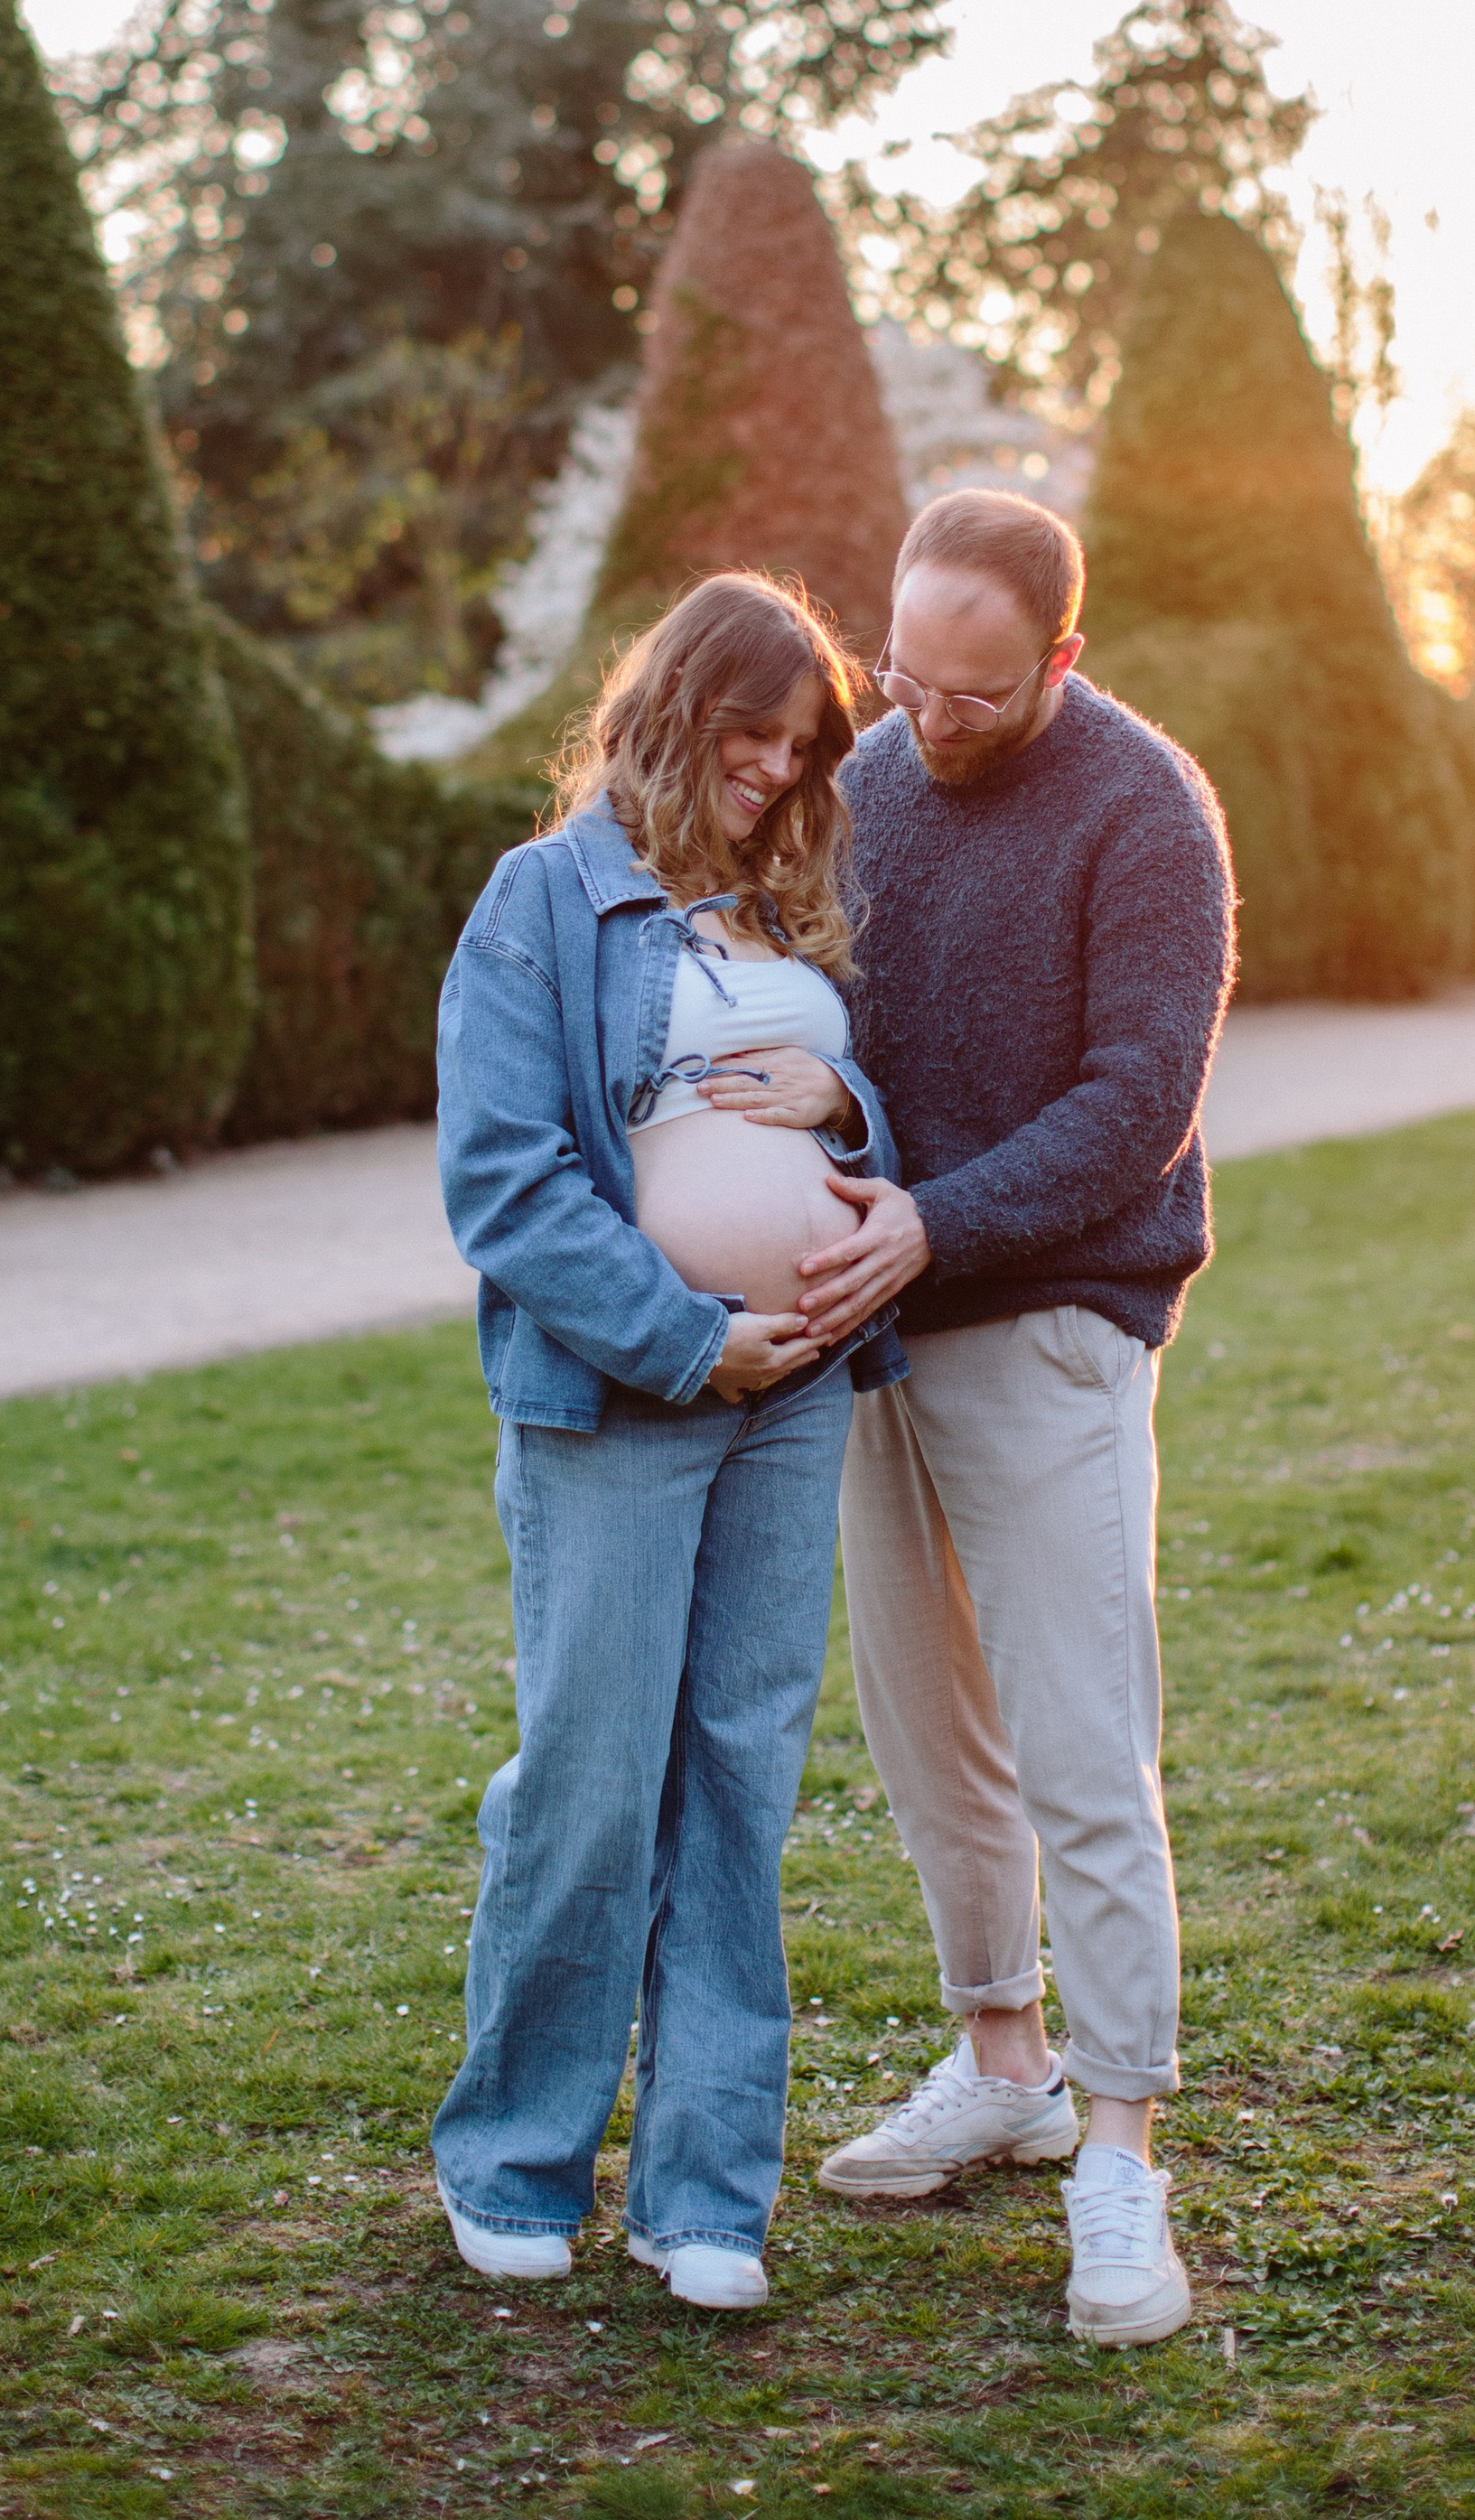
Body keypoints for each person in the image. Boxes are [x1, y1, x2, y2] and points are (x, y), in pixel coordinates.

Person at [430, 573, 909, 2314]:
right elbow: (504, 1181)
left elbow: (848, 1119)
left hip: (795, 1394)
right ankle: (519, 2156)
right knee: (592, 1769)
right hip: (629, 1396)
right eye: (749, 739)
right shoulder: (543, 903)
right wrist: (689, 1338)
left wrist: (849, 1110)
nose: (776, 776)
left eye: (800, 752)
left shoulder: (783, 905)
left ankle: (706, 2190)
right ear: (669, 710)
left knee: (739, 1773)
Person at [789, 488, 1233, 2347]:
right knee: (927, 1734)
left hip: (1046, 1321)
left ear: (1057, 655)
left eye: (973, 692)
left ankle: (1119, 2152)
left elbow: (1132, 1098)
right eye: (904, 677)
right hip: (874, 1326)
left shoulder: (1144, 811)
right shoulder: (873, 772)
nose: (926, 721)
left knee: (1078, 1743)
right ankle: (1001, 2061)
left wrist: (930, 1225)